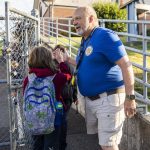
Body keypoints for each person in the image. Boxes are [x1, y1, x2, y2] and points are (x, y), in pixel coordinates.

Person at [65, 6, 136, 150]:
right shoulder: (86, 39)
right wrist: (67, 59)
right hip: (93, 100)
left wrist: (131, 97)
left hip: (108, 100)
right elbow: (84, 63)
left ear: (91, 19)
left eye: (78, 18)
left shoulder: (105, 36)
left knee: (108, 145)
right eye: (73, 20)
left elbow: (126, 65)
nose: (74, 22)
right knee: (105, 143)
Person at [23, 46, 71, 150]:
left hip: (34, 118)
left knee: (37, 145)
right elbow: (67, 76)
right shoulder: (56, 77)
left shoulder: (28, 79)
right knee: (53, 144)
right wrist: (61, 62)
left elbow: (24, 95)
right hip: (54, 118)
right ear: (48, 59)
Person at [53, 44, 78, 150]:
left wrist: (75, 96)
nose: (55, 55)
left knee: (61, 122)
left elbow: (71, 81)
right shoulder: (56, 65)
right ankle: (59, 144)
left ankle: (61, 145)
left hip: (63, 100)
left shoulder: (66, 66)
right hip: (62, 99)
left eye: (56, 53)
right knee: (60, 121)